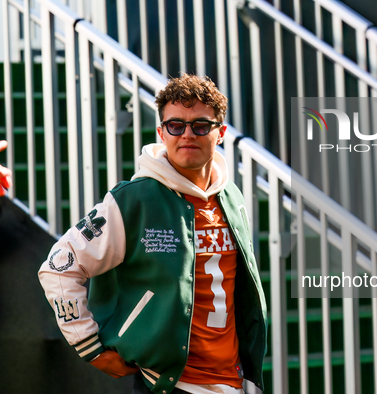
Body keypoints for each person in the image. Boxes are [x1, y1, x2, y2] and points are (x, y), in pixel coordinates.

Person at [38, 75, 267, 394]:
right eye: (176, 125)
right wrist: (89, 347)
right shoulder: (133, 199)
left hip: (231, 381)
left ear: (220, 133)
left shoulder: (231, 198)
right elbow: (57, 267)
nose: (187, 134)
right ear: (161, 132)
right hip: (168, 384)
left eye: (201, 125)